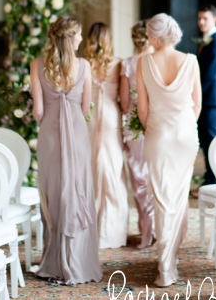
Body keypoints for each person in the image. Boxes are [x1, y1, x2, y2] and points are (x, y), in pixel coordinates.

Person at [30, 16, 102, 285]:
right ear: (71, 38)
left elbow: (38, 110)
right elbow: (85, 109)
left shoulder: (37, 65)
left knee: (53, 194)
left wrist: (49, 121)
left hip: (49, 135)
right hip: (77, 133)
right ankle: (78, 261)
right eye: (79, 35)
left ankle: (54, 262)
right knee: (78, 190)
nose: (82, 39)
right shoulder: (84, 66)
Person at [136, 13, 201, 287]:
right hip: (185, 137)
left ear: (153, 36)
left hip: (158, 136)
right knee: (178, 197)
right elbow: (197, 104)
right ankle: (169, 260)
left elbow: (142, 108)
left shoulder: (144, 62)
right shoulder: (191, 61)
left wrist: (155, 128)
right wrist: (183, 126)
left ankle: (165, 268)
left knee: (162, 199)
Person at [82, 22, 128, 249]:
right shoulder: (118, 63)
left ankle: (89, 228)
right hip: (110, 116)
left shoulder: (83, 64)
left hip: (89, 115)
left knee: (91, 167)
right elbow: (123, 99)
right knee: (112, 168)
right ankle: (112, 231)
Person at [119, 21, 156, 249]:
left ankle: (146, 230)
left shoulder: (128, 64)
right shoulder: (160, 62)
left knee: (139, 177)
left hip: (134, 126)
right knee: (156, 176)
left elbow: (124, 104)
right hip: (157, 124)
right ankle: (159, 228)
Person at [197, 4, 216, 185]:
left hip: (210, 100)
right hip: (207, 99)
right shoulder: (207, 40)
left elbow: (209, 74)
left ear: (215, 19)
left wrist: (195, 94)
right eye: (199, 18)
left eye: (205, 18)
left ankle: (215, 181)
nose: (201, 22)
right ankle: (210, 178)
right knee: (207, 141)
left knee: (213, 141)